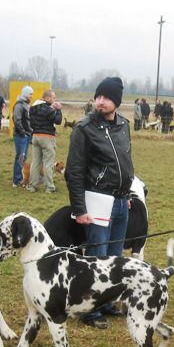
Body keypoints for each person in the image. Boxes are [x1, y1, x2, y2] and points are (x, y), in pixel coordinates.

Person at [65, 76, 134, 329]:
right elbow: (73, 171)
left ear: (116, 101)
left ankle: (107, 302)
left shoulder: (124, 125)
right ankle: (89, 309)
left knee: (115, 258)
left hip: (120, 200)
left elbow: (126, 163)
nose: (100, 102)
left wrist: (127, 194)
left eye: (106, 97)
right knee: (97, 257)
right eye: (98, 96)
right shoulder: (84, 129)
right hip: (96, 200)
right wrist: (79, 209)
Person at [27, 89, 63, 193]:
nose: (54, 99)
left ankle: (32, 186)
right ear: (47, 98)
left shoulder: (33, 108)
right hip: (47, 137)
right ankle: (49, 187)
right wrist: (58, 109)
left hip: (35, 136)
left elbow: (31, 123)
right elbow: (58, 121)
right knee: (48, 163)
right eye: (53, 97)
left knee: (35, 162)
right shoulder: (48, 109)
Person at [11, 85, 33, 188]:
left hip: (26, 135)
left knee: (23, 157)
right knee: (20, 157)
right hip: (21, 136)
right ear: (25, 94)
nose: (31, 96)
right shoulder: (19, 105)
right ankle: (17, 180)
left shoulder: (26, 105)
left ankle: (21, 178)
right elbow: (17, 120)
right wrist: (23, 132)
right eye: (30, 94)